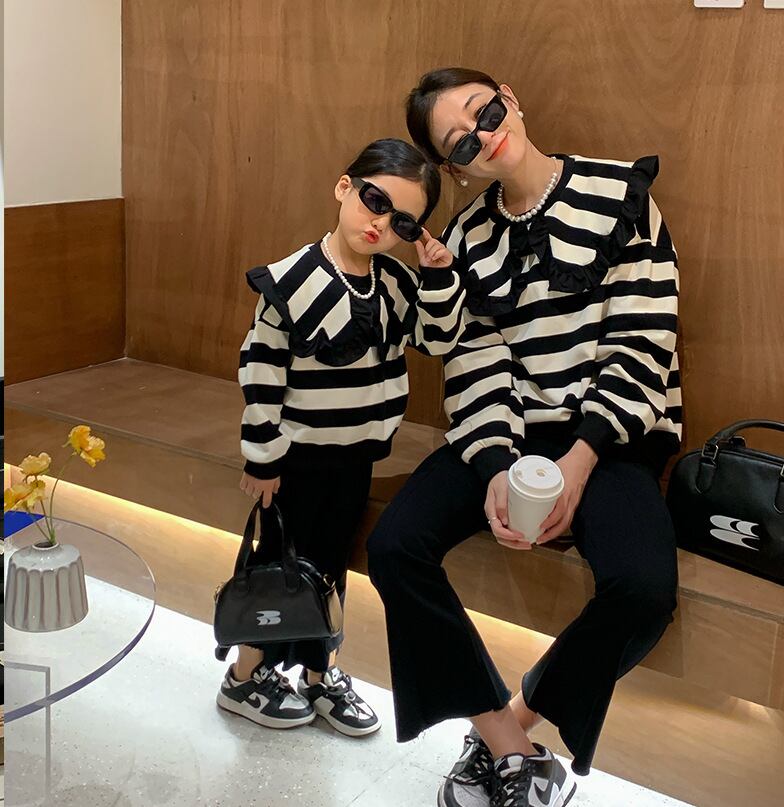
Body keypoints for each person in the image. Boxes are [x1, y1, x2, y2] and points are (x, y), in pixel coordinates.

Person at [368, 68, 682, 807]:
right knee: (394, 546)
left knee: (643, 589)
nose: (483, 137)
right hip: (505, 431)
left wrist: (579, 461)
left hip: (610, 433)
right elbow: (474, 361)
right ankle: (511, 750)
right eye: (459, 142)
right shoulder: (467, 239)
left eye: (483, 112)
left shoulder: (621, 194)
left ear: (510, 97)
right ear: (454, 169)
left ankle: (513, 722)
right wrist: (497, 469)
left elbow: (644, 341)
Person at [218, 138, 466, 738]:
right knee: (279, 565)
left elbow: (437, 339)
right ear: (344, 187)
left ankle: (319, 672)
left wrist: (439, 276)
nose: (380, 223)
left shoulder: (396, 282)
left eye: (402, 221)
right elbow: (261, 370)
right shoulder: (291, 281)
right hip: (296, 458)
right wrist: (263, 456)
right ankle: (245, 675)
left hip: (356, 456)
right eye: (375, 201)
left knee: (330, 568)